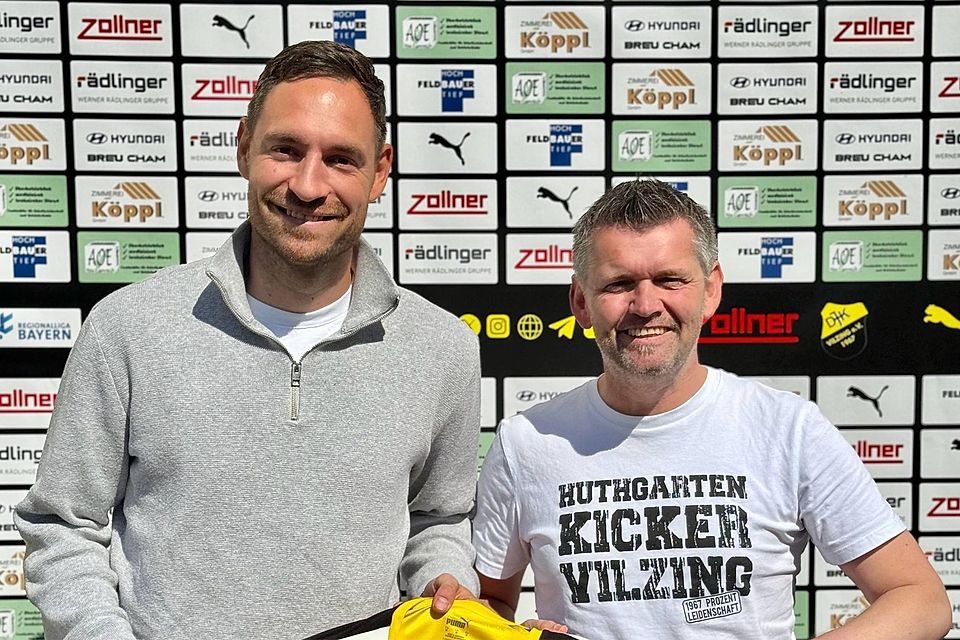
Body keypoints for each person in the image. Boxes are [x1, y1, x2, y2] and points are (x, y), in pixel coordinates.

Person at [16, 41, 481, 640]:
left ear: (380, 171)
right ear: (243, 148)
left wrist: (444, 577)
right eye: (286, 150)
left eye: (341, 159)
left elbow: (438, 519)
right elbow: (62, 526)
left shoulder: (443, 347)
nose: (308, 185)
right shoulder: (127, 327)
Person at [472, 179, 951, 640]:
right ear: (581, 301)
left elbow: (921, 600)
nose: (646, 304)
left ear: (711, 289)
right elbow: (488, 602)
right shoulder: (525, 443)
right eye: (619, 284)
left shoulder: (788, 429)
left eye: (669, 279)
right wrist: (508, 637)